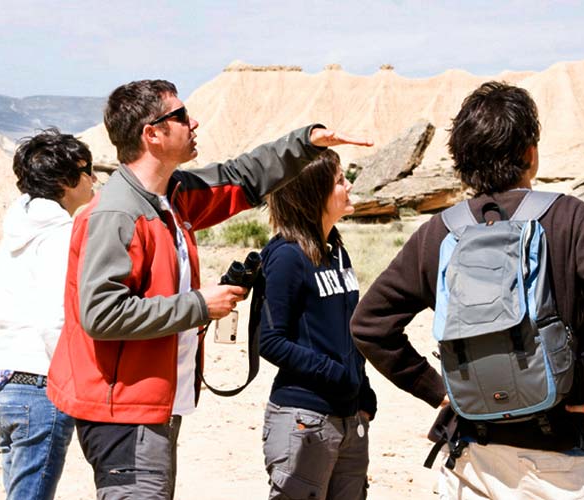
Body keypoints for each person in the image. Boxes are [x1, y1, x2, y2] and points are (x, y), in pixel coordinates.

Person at [45, 79, 372, 500]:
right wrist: (200, 304)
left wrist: (305, 142)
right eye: (181, 116)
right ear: (153, 133)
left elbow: (241, 176)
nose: (193, 122)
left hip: (152, 406)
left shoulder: (173, 198)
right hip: (124, 411)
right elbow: (102, 314)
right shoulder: (115, 213)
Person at [351, 81, 584, 499]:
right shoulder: (570, 218)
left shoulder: (439, 232)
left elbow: (369, 324)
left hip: (471, 453)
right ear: (530, 152)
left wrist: (439, 392)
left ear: (462, 161)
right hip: (557, 455)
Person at [0, 129, 96, 500]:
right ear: (65, 180)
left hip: (2, 379)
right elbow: (56, 317)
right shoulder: (60, 234)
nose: (95, 179)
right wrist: (71, 377)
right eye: (88, 170)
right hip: (38, 385)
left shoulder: (16, 228)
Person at [259, 149, 377, 500]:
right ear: (315, 193)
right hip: (304, 418)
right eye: (340, 180)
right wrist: (334, 373)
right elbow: (271, 340)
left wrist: (363, 391)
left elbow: (344, 330)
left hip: (349, 418)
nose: (349, 185)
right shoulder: (285, 256)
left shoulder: (336, 251)